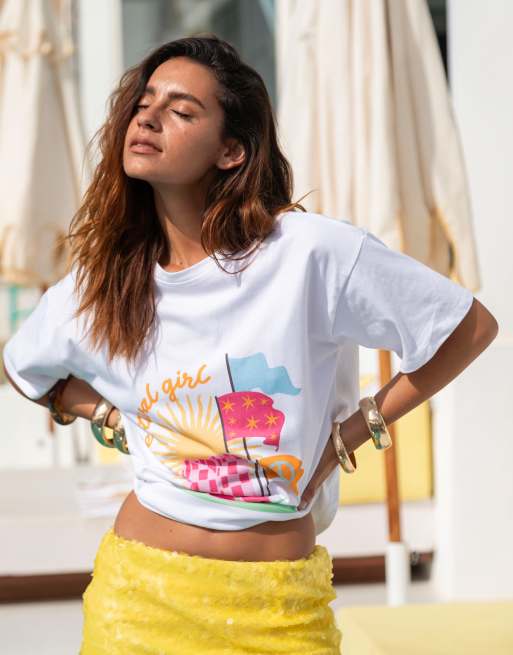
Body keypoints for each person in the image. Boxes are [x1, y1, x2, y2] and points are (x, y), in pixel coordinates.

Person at [2, 33, 498, 655]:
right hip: (139, 600)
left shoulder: (309, 254)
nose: (148, 118)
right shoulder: (108, 278)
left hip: (279, 611)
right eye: (144, 104)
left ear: (231, 150)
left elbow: (465, 327)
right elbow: (23, 367)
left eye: (181, 111)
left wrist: (352, 434)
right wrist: (108, 414)